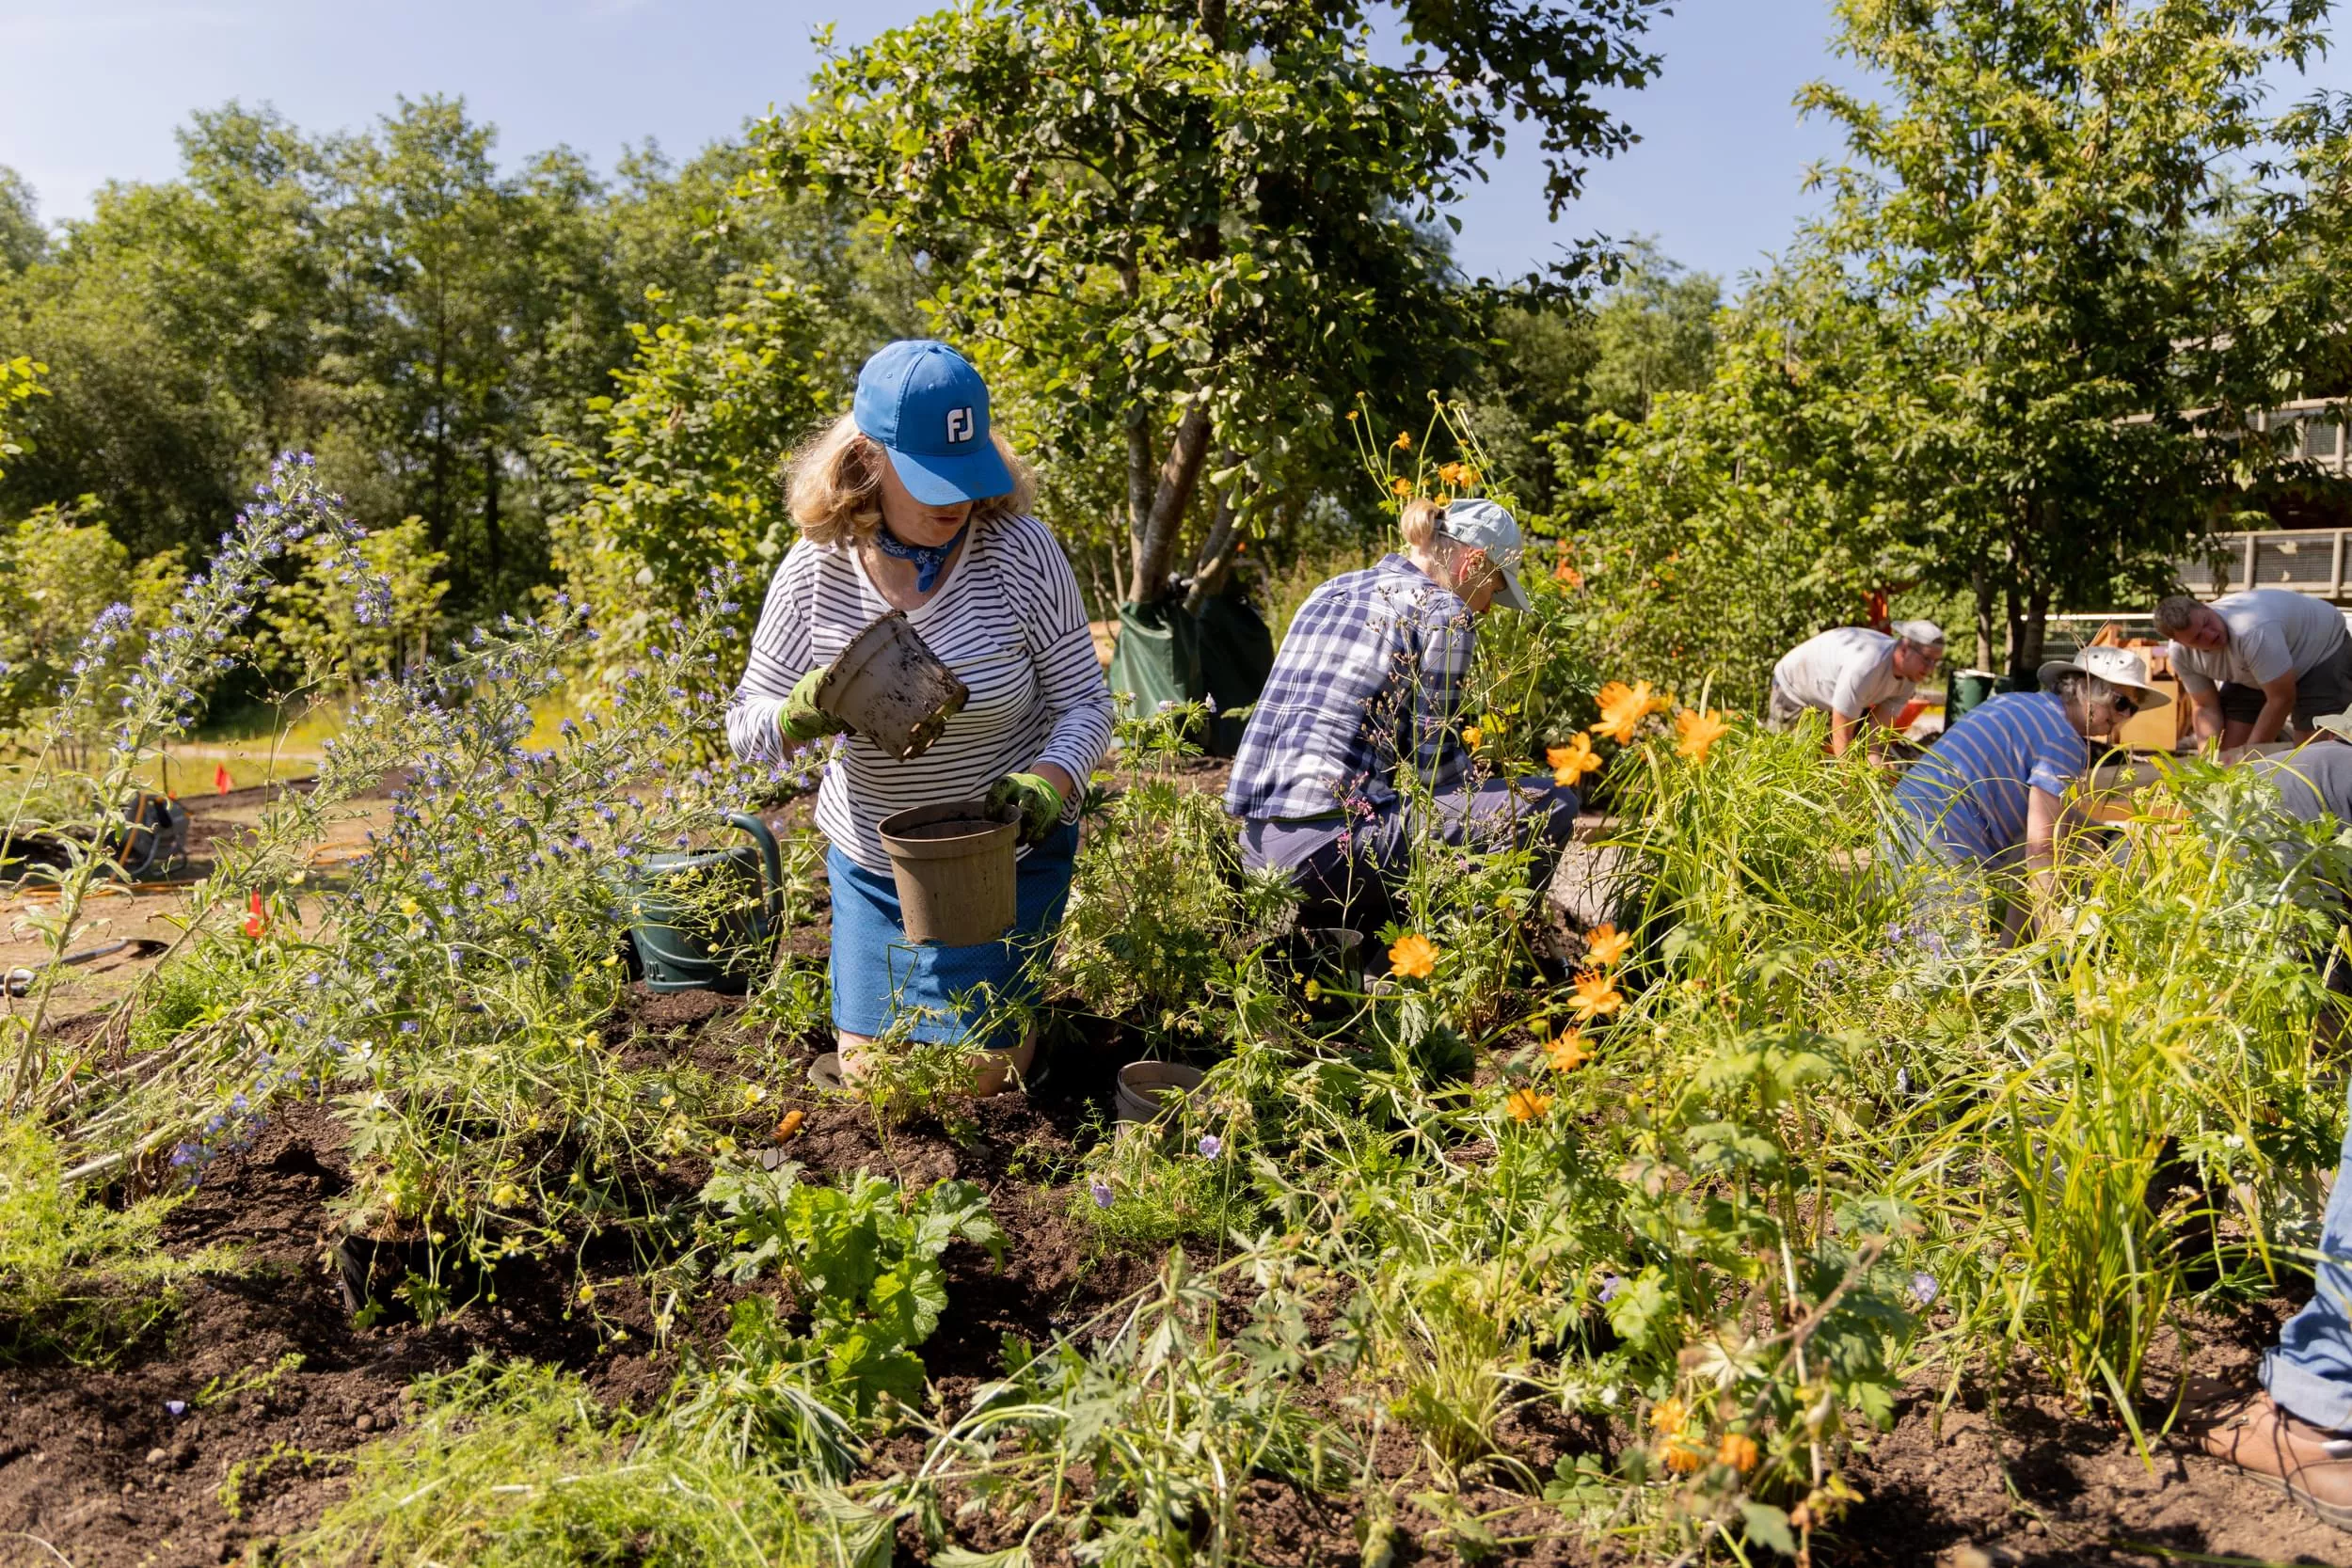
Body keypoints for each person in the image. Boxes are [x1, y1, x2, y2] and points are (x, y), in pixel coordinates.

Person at [725, 340, 1114, 1095]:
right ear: (868, 460)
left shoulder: (1020, 554)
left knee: (978, 1079)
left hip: (1003, 859)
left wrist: (1049, 782)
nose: (956, 500)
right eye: (931, 478)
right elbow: (746, 727)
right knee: (874, 1076)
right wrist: (805, 709)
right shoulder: (815, 569)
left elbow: (1084, 701)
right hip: (877, 866)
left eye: (967, 476)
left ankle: (1026, 1037)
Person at [1223, 496, 1578, 931]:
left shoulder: (1329, 589)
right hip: (1328, 854)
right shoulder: (1446, 614)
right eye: (1496, 588)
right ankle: (1444, 953)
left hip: (1255, 848)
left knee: (1392, 815)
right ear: (1474, 563)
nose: (1487, 606)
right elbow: (1437, 772)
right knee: (1553, 803)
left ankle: (1363, 952)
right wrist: (1501, 786)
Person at [1885, 645, 2168, 942]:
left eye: (2132, 710)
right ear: (2085, 688)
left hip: (1903, 820)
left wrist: (2102, 837)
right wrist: (2052, 940)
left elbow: (2046, 819)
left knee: (1918, 952)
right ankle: (2028, 958)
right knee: (1948, 970)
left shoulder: (2018, 703)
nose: (2124, 717)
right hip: (1938, 840)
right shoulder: (2064, 739)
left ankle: (2011, 953)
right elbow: (2041, 846)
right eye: (2120, 703)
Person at [2155, 589, 2352, 750]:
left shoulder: (2252, 630)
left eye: (2207, 623)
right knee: (2227, 752)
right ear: (2181, 643)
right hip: (2257, 666)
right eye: (2197, 637)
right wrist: (2208, 760)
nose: (2210, 635)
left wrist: (2251, 755)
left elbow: (2281, 699)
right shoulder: (2180, 654)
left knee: (2308, 752)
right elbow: (2206, 706)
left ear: (2207, 608)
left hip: (2321, 648)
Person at [1768, 620, 1946, 757]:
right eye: (1926, 659)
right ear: (1905, 650)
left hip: (1828, 701)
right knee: (1784, 758)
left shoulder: (1909, 679)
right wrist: (1847, 776)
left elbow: (1874, 737)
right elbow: (1841, 731)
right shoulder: (1867, 666)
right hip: (1795, 688)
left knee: (1822, 763)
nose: (1931, 669)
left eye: (1936, 662)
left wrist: (1875, 764)